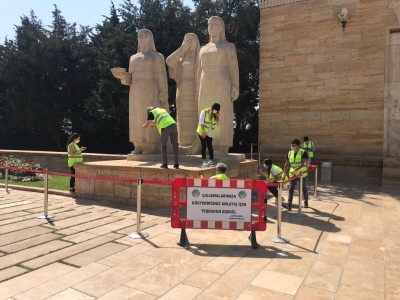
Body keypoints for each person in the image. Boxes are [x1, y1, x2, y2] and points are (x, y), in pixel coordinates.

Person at [111, 29, 168, 154]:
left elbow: (162, 76)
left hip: (150, 89)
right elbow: (129, 79)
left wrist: (163, 92)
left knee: (149, 116)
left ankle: (151, 145)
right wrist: (122, 76)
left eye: (144, 36)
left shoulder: (157, 56)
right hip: (135, 91)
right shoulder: (133, 58)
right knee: (136, 117)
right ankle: (138, 145)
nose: (141, 39)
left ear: (150, 39)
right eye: (139, 37)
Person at [197, 16, 239, 154]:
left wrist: (235, 85)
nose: (212, 27)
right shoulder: (203, 49)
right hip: (205, 82)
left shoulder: (228, 47)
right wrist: (197, 88)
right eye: (209, 24)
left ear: (221, 28)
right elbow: (198, 71)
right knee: (205, 113)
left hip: (221, 81)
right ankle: (205, 143)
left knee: (220, 113)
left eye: (215, 24)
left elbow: (233, 68)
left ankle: (220, 144)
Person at [166, 33, 200, 147]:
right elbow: (169, 61)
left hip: (197, 93)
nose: (189, 42)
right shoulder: (180, 60)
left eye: (192, 39)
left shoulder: (200, 59)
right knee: (182, 118)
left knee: (196, 117)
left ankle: (197, 144)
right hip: (182, 92)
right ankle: (184, 143)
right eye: (187, 40)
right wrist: (182, 49)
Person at [282, 139, 309, 211]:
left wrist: (295, 170)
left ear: (299, 146)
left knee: (303, 188)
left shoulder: (303, 152)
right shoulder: (289, 153)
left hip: (301, 174)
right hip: (292, 174)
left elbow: (302, 163)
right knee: (291, 189)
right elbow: (287, 164)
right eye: (291, 146)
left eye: (294, 146)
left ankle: (306, 202)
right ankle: (289, 205)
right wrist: (284, 172)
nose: (292, 147)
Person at [197, 103, 220, 168]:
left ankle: (211, 160)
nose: (216, 111)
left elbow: (217, 124)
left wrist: (218, 117)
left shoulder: (215, 114)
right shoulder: (204, 112)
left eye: (217, 110)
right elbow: (201, 122)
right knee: (204, 145)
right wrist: (203, 132)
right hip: (202, 131)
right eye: (216, 110)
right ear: (212, 108)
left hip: (210, 133)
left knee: (210, 146)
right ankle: (204, 161)